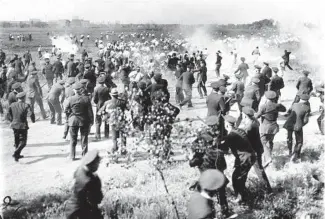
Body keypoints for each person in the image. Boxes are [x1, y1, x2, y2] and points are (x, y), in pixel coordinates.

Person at [189, 116, 236, 218]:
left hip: (207, 175)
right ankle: (225, 212)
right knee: (221, 193)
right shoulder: (220, 138)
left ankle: (209, 214)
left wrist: (191, 161)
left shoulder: (202, 141)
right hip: (219, 172)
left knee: (205, 196)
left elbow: (196, 159)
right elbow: (224, 155)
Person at [222, 115, 256, 203]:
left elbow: (224, 148)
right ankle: (244, 196)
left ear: (226, 125)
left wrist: (217, 142)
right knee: (239, 177)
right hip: (249, 156)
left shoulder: (231, 135)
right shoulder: (239, 130)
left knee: (237, 178)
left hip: (245, 159)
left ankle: (241, 199)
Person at [240, 107, 272, 193]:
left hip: (253, 151)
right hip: (257, 149)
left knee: (258, 170)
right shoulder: (254, 121)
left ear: (245, 115)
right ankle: (267, 189)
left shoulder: (249, 127)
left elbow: (244, 138)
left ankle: (268, 190)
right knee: (258, 169)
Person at [65, 150, 103, 219]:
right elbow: (96, 199)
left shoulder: (80, 169)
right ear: (92, 164)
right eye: (97, 163)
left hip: (73, 208)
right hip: (78, 212)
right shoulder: (87, 181)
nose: (98, 166)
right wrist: (97, 180)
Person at [255, 91, 286, 167]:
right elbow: (284, 109)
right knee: (270, 141)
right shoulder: (277, 106)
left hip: (265, 127)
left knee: (263, 143)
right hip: (274, 127)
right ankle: (268, 156)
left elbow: (257, 116)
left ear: (266, 97)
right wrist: (278, 103)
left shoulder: (264, 106)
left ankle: (268, 158)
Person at [65, 82, 94, 160]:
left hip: (73, 121)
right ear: (81, 90)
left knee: (73, 139)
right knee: (84, 139)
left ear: (74, 90)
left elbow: (66, 110)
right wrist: (91, 121)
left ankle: (72, 156)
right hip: (84, 121)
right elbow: (90, 111)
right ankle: (85, 155)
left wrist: (69, 118)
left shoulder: (70, 99)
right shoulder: (86, 99)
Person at [8, 92, 35, 161]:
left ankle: (17, 156)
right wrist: (33, 120)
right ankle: (16, 153)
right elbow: (30, 114)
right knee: (23, 142)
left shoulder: (12, 104)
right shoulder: (26, 105)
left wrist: (12, 121)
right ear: (24, 98)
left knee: (16, 140)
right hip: (22, 125)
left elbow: (8, 115)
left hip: (14, 125)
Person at [283, 94, 310, 162]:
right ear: (307, 100)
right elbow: (305, 120)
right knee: (299, 141)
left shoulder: (294, 104)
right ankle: (296, 154)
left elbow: (288, 112)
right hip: (298, 125)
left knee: (289, 138)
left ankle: (289, 151)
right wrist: (301, 124)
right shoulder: (307, 108)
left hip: (289, 124)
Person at [93, 76, 111, 140]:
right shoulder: (107, 89)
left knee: (98, 120)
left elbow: (95, 99)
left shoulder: (96, 89)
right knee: (106, 119)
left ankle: (98, 135)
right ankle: (106, 134)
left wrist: (97, 103)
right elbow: (110, 97)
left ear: (98, 82)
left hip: (99, 105)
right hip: (106, 105)